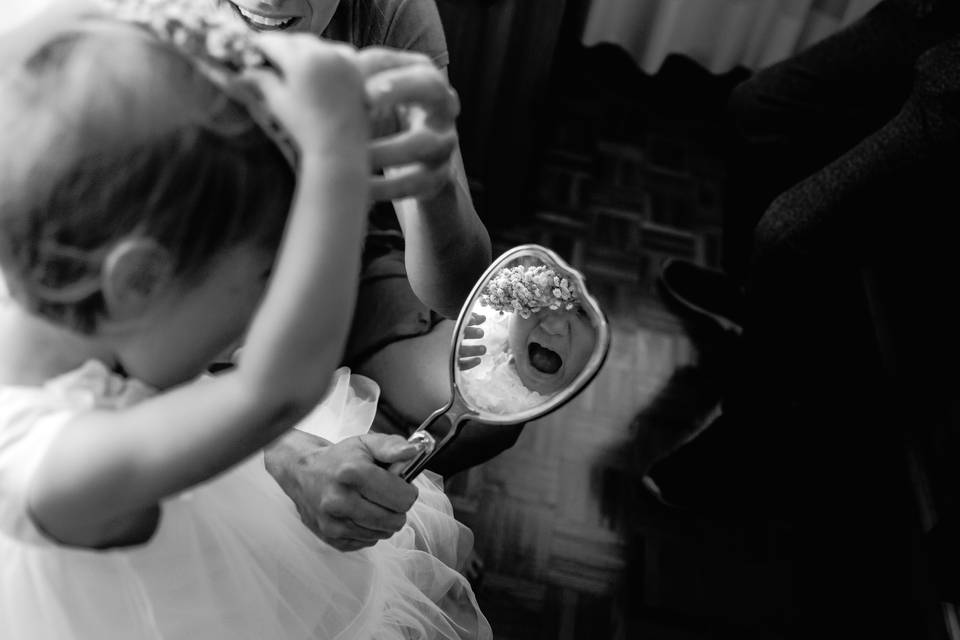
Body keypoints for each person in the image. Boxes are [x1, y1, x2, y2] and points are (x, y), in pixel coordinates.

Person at [0, 3, 491, 638]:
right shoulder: (52, 467)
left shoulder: (43, 305)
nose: (258, 319)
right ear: (140, 280)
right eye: (262, 281)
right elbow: (274, 390)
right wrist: (333, 157)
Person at [214, 0, 527, 543]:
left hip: (339, 267)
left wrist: (427, 183)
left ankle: (400, 507)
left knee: (493, 395)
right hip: (187, 314)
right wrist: (284, 456)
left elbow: (458, 289)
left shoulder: (388, 14)